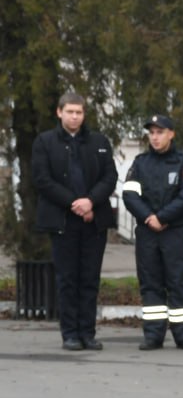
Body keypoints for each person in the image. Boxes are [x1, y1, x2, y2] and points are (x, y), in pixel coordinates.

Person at [31, 91, 119, 351]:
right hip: (63, 221)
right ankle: (70, 333)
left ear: (84, 114)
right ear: (59, 112)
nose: (74, 116)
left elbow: (110, 176)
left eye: (79, 112)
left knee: (90, 279)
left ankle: (87, 333)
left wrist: (90, 201)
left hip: (94, 221)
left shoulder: (99, 141)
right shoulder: (45, 142)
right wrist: (75, 203)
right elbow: (43, 180)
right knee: (68, 279)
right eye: (69, 111)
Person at [121, 114, 183, 351]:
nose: (155, 137)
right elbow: (129, 194)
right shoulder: (140, 162)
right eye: (152, 133)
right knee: (150, 283)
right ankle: (153, 335)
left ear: (171, 134)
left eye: (160, 132)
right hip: (147, 233)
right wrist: (149, 217)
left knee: (178, 282)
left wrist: (163, 217)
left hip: (174, 232)